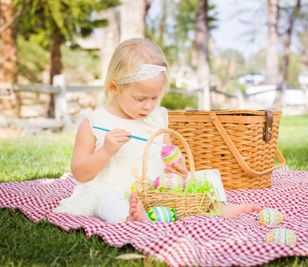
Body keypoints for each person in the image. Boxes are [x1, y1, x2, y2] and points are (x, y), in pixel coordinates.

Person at [54, 38, 261, 224]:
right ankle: (132, 215)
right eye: (140, 99)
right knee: (107, 202)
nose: (148, 106)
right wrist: (105, 151)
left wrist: (176, 165)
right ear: (113, 88)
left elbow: (168, 156)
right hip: (116, 191)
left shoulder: (158, 119)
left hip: (158, 190)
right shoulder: (95, 123)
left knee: (203, 179)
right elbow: (80, 174)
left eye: (154, 98)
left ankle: (218, 207)